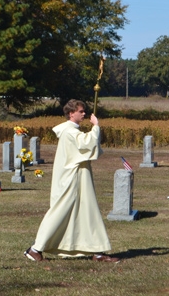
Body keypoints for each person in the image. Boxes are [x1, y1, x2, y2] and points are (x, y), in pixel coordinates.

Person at [24, 100, 119, 263]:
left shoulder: (72, 131)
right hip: (72, 178)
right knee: (60, 211)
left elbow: (85, 144)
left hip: (79, 176)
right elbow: (86, 143)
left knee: (87, 211)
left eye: (84, 111)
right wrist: (96, 126)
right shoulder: (69, 131)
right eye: (81, 111)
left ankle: (97, 251)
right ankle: (35, 249)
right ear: (71, 113)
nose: (84, 114)